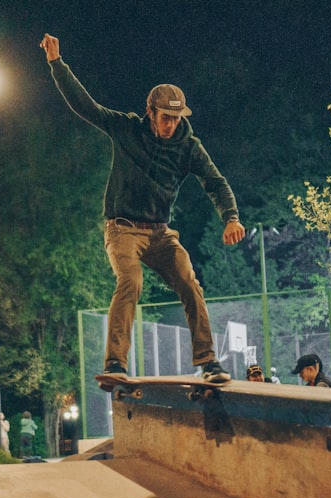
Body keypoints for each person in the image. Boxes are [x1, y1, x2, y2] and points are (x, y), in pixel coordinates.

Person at [40, 33, 243, 384]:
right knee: (130, 280)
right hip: (122, 229)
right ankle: (116, 364)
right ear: (150, 111)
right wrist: (57, 65)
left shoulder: (188, 146)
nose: (171, 125)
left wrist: (231, 217)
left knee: (189, 282)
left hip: (161, 233)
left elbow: (215, 181)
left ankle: (208, 362)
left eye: (176, 119)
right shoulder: (126, 129)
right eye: (165, 117)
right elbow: (86, 107)